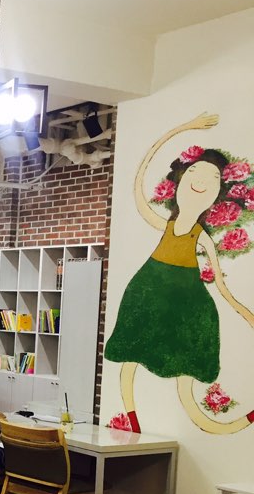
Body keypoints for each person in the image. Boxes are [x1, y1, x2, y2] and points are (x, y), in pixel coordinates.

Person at [105, 113, 254, 434]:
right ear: (179, 182)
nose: (202, 181)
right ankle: (133, 426)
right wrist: (183, 128)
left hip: (189, 308)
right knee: (129, 362)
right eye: (195, 172)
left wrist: (247, 315)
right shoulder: (166, 224)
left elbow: (222, 285)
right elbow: (138, 184)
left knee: (185, 386)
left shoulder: (202, 237)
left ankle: (234, 422)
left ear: (218, 194)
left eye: (213, 178)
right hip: (146, 296)